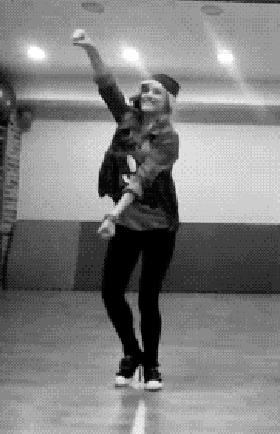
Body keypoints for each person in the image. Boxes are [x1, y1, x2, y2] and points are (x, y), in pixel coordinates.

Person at [72, 29, 181, 391]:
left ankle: (152, 364)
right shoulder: (126, 119)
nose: (147, 94)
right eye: (145, 89)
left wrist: (113, 214)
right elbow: (107, 86)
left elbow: (142, 178)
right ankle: (131, 353)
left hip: (158, 224)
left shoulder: (169, 138)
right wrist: (92, 49)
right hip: (127, 222)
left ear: (167, 103)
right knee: (110, 292)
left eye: (156, 92)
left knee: (148, 298)